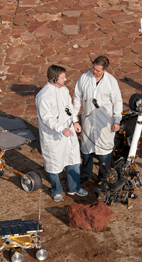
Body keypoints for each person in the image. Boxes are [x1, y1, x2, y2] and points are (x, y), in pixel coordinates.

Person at [36, 65, 88, 202]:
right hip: (53, 137)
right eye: (63, 77)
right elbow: (47, 118)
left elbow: (69, 108)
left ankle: (74, 188)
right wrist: (61, 129)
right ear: (54, 79)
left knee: (74, 160)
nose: (66, 79)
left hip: (68, 132)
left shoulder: (64, 90)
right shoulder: (43, 96)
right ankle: (56, 190)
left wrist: (75, 121)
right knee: (54, 165)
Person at [73, 56, 123, 188]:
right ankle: (86, 174)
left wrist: (117, 120)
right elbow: (77, 97)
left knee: (104, 151)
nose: (94, 72)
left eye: (98, 70)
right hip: (88, 121)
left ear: (105, 70)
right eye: (93, 68)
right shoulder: (84, 78)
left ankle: (103, 177)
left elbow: (117, 101)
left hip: (105, 123)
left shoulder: (111, 82)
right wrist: (74, 117)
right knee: (86, 150)